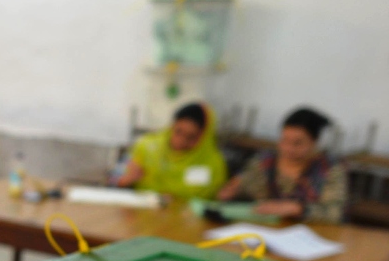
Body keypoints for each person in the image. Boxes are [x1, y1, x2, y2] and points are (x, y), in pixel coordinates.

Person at [217, 107, 347, 222]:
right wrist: (232, 191)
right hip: (263, 230)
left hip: (308, 236)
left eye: (298, 143)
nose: (288, 148)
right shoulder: (265, 162)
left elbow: (335, 213)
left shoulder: (328, 169)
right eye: (284, 140)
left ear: (314, 142)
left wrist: (298, 209)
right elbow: (245, 188)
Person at [114, 102, 227, 199]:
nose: (181, 141)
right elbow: (114, 181)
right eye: (178, 132)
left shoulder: (213, 164)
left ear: (205, 138)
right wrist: (126, 179)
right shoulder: (146, 147)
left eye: (191, 137)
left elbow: (212, 202)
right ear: (172, 126)